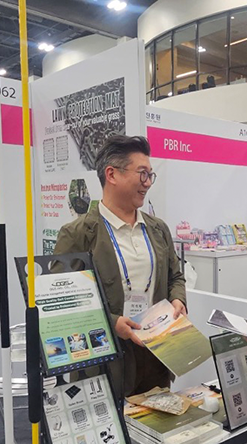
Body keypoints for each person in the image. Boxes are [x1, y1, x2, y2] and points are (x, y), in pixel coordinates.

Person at [54, 135, 186, 397]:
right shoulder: (78, 234)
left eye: (150, 175)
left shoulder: (157, 229)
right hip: (104, 358)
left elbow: (175, 276)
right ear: (112, 174)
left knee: (156, 417)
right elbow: (65, 300)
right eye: (142, 173)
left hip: (155, 355)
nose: (147, 182)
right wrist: (112, 323)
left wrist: (177, 300)